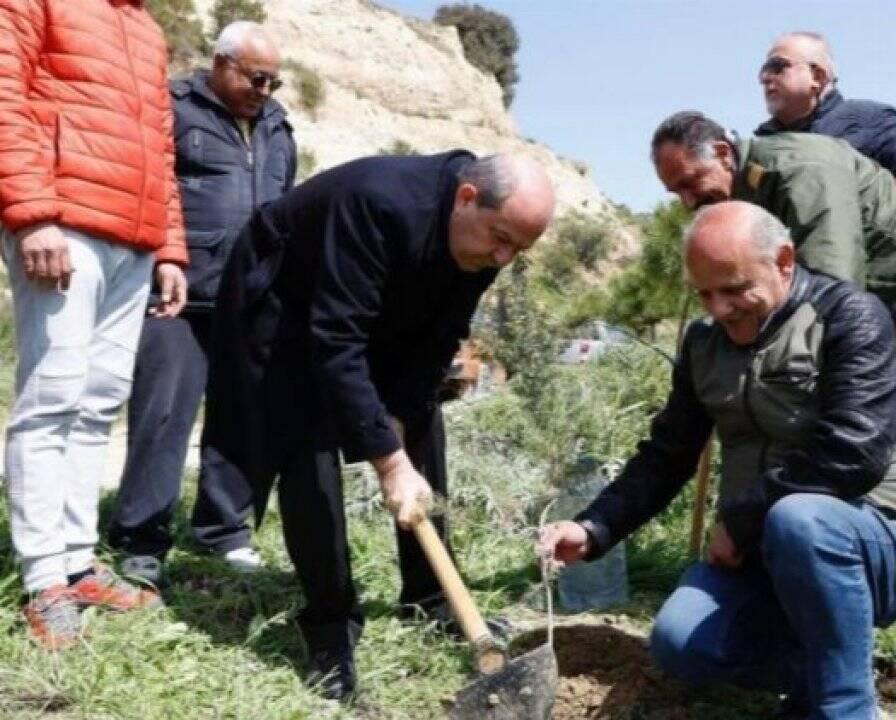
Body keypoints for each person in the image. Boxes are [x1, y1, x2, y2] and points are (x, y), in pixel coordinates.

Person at [651, 111, 896, 711]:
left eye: (691, 182)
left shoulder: (804, 169)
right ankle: (831, 650)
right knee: (801, 502)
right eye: (676, 193)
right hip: (870, 324)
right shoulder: (745, 202)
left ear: (722, 151)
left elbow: (832, 303)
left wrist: (745, 516)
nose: (688, 200)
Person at [539, 201, 896, 720]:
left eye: (734, 288)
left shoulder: (849, 318)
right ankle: (830, 668)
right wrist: (594, 528)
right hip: (760, 557)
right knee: (682, 643)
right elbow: (666, 455)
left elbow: (853, 452)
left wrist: (743, 521)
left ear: (784, 261)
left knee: (799, 518)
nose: (719, 308)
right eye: (704, 293)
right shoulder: (703, 345)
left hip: (873, 543)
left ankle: (848, 707)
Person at [203, 151, 555, 700]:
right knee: (309, 433)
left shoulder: (482, 246)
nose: (504, 257)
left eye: (519, 249)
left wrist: (397, 423)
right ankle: (329, 626)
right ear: (466, 198)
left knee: (422, 421)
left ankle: (429, 597)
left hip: (374, 304)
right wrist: (389, 462)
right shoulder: (378, 202)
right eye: (501, 238)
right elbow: (335, 342)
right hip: (284, 296)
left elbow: (437, 342)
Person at [0, 0, 187, 649]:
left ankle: (78, 563)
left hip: (133, 241)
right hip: (63, 221)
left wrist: (169, 246)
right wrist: (31, 213)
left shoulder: (145, 28)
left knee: (99, 400)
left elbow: (161, 147)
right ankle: (44, 577)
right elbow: (5, 96)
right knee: (52, 397)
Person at [106, 21, 296, 585]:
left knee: (242, 420)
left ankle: (224, 532)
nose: (265, 90)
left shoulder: (280, 129)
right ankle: (140, 539)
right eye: (256, 78)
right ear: (220, 63)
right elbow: (151, 186)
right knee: (163, 416)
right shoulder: (173, 107)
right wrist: (165, 255)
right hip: (178, 293)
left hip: (250, 300)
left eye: (274, 82)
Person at [755, 31, 896, 238]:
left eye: (776, 67)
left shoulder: (867, 120)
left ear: (818, 76)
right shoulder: (763, 149)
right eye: (763, 71)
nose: (764, 78)